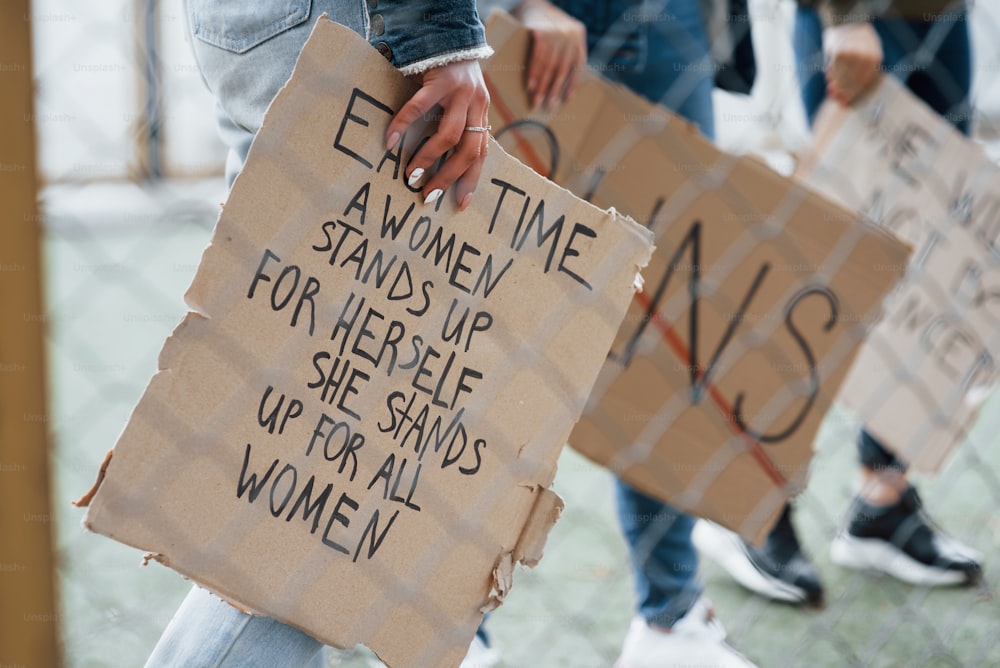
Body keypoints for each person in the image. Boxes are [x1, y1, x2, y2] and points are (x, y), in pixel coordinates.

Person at [145, 2, 494, 666]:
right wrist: (439, 36)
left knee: (301, 413)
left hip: (252, 24)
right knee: (335, 466)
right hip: (354, 17)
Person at [473, 1, 760, 666]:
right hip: (554, 16)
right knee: (484, 304)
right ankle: (446, 629)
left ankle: (671, 618)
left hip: (672, 19)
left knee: (669, 320)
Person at [693, 0, 983, 605]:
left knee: (931, 247)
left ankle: (883, 500)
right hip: (863, 17)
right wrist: (844, 14)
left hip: (945, 11)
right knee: (841, 257)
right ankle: (750, 494)